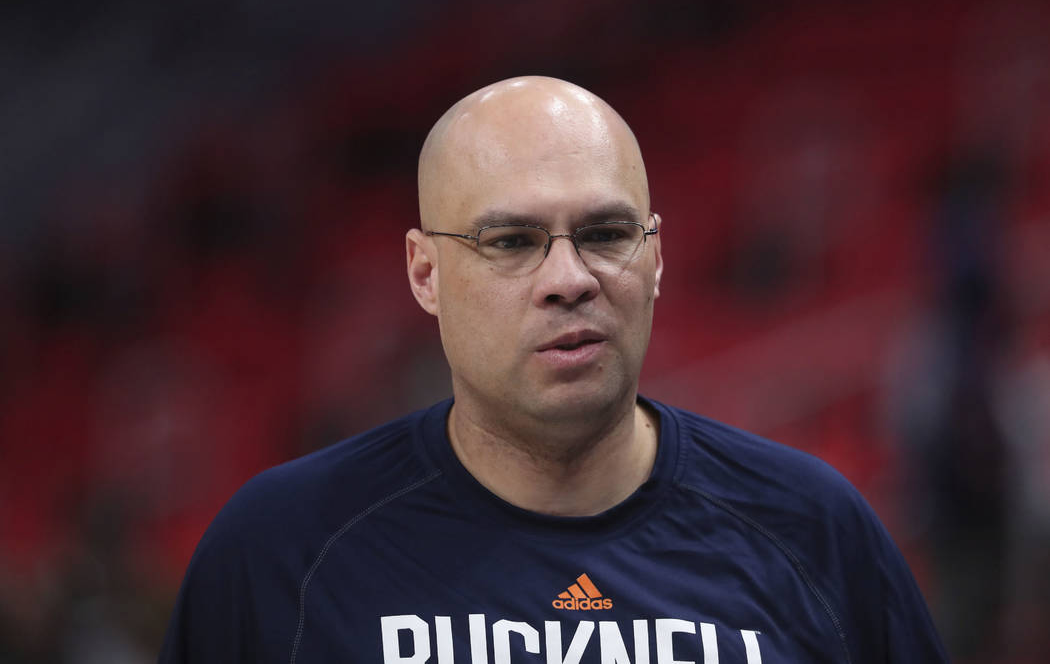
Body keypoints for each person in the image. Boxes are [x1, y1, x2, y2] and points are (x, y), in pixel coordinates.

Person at [158, 76, 948, 663]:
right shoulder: (281, 550)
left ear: (658, 257)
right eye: (511, 242)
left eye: (605, 233)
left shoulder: (814, 533)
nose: (569, 277)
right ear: (424, 273)